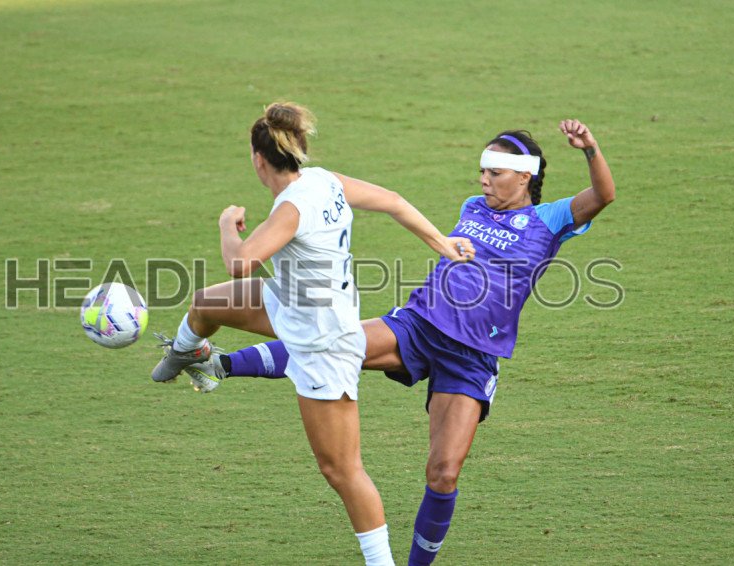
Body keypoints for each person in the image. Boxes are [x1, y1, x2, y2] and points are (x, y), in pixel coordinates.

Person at [184, 119, 616, 566]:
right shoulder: (473, 207)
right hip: (420, 324)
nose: (483, 180)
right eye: (482, 171)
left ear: (524, 176)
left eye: (494, 172)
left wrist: (589, 148)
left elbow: (603, 195)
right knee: (331, 341)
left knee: (443, 473)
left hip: (473, 357)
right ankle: (220, 365)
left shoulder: (549, 220)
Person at [151, 101, 475, 566]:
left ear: (258, 159)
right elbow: (393, 200)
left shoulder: (291, 208)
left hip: (324, 342)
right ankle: (189, 353)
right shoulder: (324, 180)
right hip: (292, 301)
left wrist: (226, 225)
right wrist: (442, 244)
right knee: (206, 303)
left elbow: (240, 262)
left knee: (341, 470)